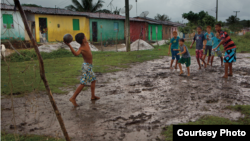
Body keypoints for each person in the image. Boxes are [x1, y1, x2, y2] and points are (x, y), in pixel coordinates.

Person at [64, 33, 100, 107]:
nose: (86, 37)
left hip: (89, 66)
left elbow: (83, 40)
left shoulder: (86, 43)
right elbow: (76, 54)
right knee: (83, 83)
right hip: (86, 67)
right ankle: (73, 98)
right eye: (85, 37)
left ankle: (93, 96)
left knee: (93, 80)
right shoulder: (81, 48)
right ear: (83, 39)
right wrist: (69, 45)